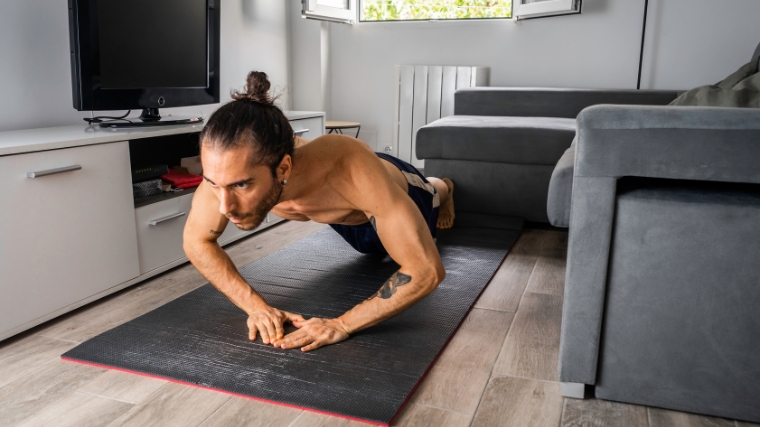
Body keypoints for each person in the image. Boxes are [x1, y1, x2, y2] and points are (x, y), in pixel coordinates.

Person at [183, 71, 456, 352]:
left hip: (400, 190)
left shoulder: (347, 168)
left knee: (432, 191)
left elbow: (426, 271)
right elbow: (196, 241)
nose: (224, 206)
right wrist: (257, 308)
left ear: (284, 169)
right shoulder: (225, 174)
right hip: (348, 220)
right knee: (370, 251)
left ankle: (446, 187)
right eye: (214, 184)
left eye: (242, 185)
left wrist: (343, 324)